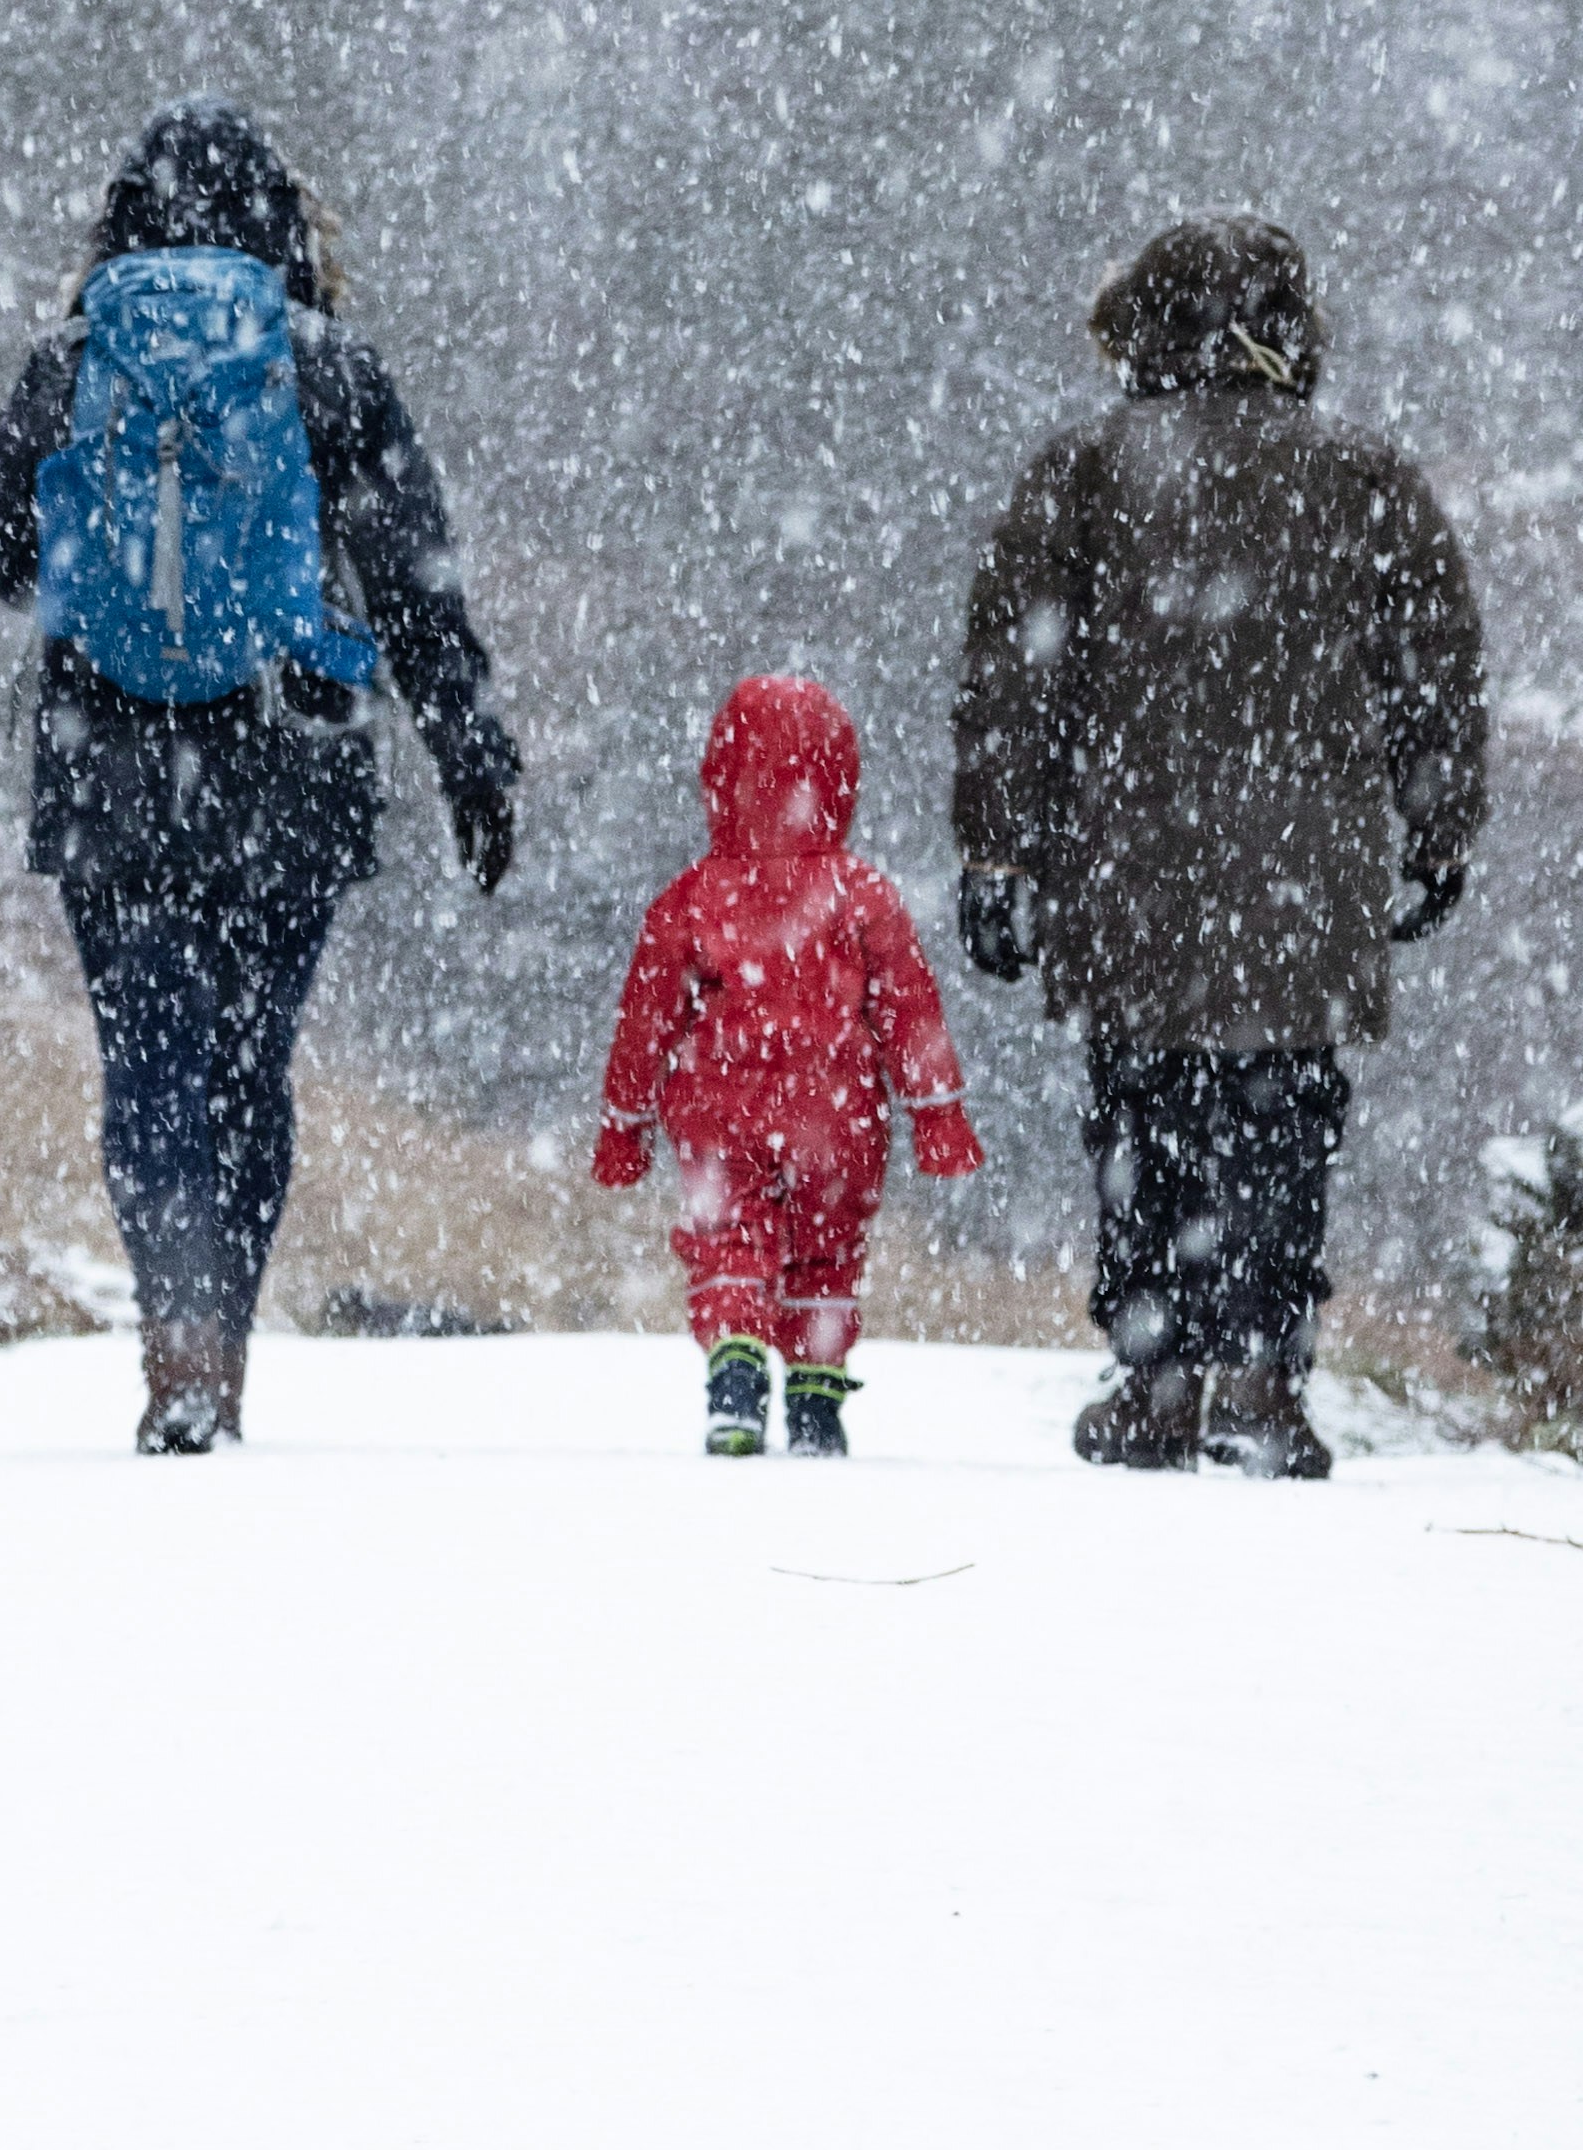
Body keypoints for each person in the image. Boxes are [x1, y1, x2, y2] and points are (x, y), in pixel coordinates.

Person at [0, 103, 519, 1454]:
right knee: (246, 1065)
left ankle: (177, 1342)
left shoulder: (74, 359)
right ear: (283, 221)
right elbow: (411, 580)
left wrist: (116, 566)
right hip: (290, 764)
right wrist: (470, 752)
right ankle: (227, 1329)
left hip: (107, 770)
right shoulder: (325, 368)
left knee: (147, 1060)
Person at [952, 216, 1485, 1479]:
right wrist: (1438, 829)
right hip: (1305, 874)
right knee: (1285, 1121)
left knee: (1144, 1111)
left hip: (1128, 859)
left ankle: (1158, 1372)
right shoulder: (1363, 477)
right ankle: (1261, 1374)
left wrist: (1000, 855)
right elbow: (1434, 673)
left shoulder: (1084, 471)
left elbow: (1011, 680)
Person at [593, 674, 984, 1460]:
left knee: (727, 1242)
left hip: (717, 1111)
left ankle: (734, 1380)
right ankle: (815, 1400)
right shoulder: (862, 894)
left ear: (721, 777)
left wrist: (623, 1126)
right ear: (839, 779)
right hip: (836, 1118)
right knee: (826, 1248)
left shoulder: (692, 899)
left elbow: (647, 1023)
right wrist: (936, 1115)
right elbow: (910, 1012)